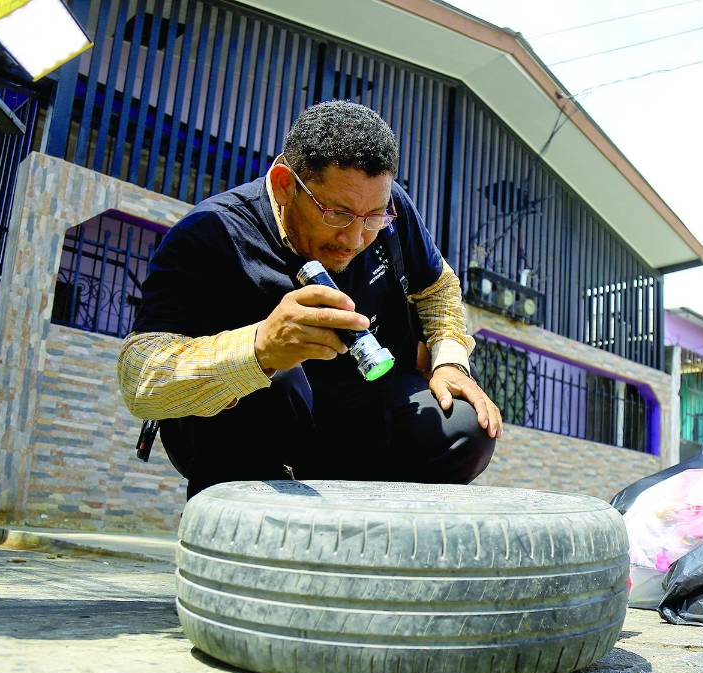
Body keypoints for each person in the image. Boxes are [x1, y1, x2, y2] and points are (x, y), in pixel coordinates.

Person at [118, 101, 501, 498]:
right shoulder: (210, 233)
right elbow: (140, 377)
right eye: (337, 213)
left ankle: (371, 528)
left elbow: (438, 286)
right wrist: (258, 349)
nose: (355, 239)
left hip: (353, 413)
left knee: (462, 426)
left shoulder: (391, 207)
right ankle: (247, 529)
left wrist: (451, 361)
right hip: (247, 427)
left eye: (372, 218)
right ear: (285, 185)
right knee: (277, 383)